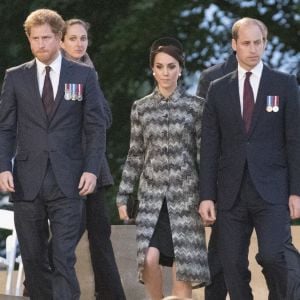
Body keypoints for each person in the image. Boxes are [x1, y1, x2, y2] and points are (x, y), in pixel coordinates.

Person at [0, 9, 106, 300]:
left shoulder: (84, 75)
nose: (41, 44)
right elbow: (5, 128)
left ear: (59, 38)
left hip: (69, 179)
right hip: (26, 179)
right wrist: (2, 166)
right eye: (35, 39)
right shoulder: (15, 77)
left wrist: (91, 169)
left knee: (62, 256)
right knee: (33, 258)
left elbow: (96, 127)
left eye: (46, 37)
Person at [199, 17, 300, 300]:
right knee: (231, 265)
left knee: (273, 256)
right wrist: (206, 195)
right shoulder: (217, 88)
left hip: (273, 190)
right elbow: (209, 146)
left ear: (265, 44)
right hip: (230, 193)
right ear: (234, 45)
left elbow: (295, 141)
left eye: (258, 42)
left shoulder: (284, 84)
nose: (253, 49)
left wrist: (296, 191)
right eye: (246, 43)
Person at [116, 37, 210, 300]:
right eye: (160, 66)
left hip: (187, 200)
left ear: (180, 68)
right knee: (148, 259)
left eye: (171, 66)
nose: (165, 72)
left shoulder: (196, 107)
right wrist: (123, 194)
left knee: (184, 271)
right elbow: (135, 154)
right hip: (151, 200)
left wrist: (209, 197)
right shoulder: (141, 108)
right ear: (153, 69)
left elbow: (205, 158)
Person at [60, 18, 126, 300]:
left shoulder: (90, 72)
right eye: (72, 38)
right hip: (69, 167)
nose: (79, 43)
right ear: (61, 41)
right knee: (71, 230)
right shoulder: (58, 73)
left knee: (100, 232)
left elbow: (104, 118)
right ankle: (36, 286)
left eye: (83, 38)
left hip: (95, 166)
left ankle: (110, 294)